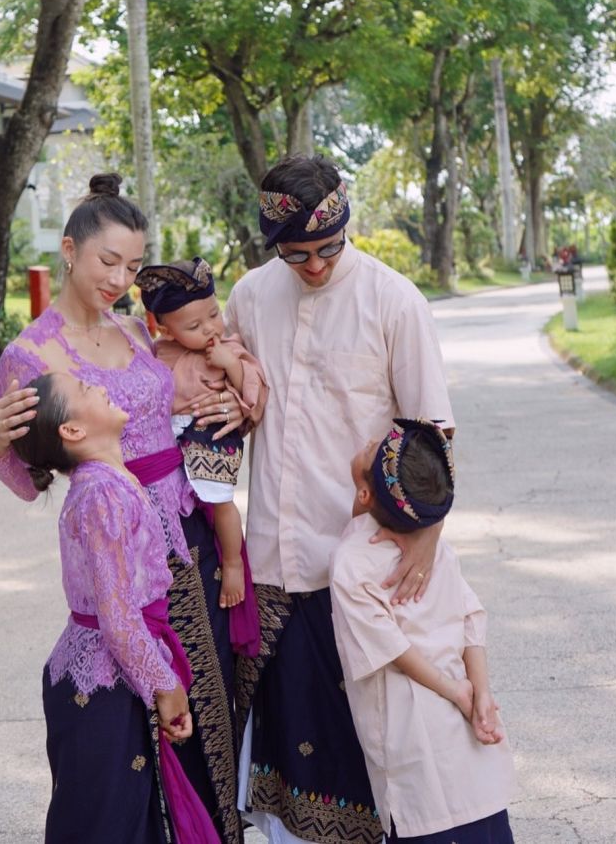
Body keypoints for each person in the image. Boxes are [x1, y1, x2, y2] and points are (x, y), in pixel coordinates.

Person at [0, 174, 245, 842]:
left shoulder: (134, 329)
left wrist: (231, 401)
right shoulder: (30, 355)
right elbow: (26, 479)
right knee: (147, 723)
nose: (120, 279)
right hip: (124, 551)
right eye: (109, 262)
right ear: (69, 250)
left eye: (132, 266)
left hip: (192, 533)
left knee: (213, 711)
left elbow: (192, 384)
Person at [225, 154, 455, 844]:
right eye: (297, 255)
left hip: (363, 571)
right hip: (275, 563)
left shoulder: (393, 301)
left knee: (379, 759)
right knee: (290, 750)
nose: (316, 266)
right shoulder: (249, 297)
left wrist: (427, 538)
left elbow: (433, 437)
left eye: (328, 248)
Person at [9, 370, 220, 844]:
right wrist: (165, 686)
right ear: (73, 431)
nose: (98, 385)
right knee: (107, 822)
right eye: (84, 391)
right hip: (105, 680)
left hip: (117, 671)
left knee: (128, 817)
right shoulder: (102, 494)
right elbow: (118, 616)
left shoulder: (109, 481)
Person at [331, 419, 516, 843]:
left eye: (373, 449)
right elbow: (471, 617)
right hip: (469, 747)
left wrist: (459, 692)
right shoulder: (433, 549)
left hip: (414, 747)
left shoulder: (352, 563)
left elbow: (392, 647)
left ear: (364, 493)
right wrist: (479, 691)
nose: (370, 439)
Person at [135, 256, 268, 614]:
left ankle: (234, 564)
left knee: (220, 502)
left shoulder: (230, 348)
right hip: (169, 447)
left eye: (214, 313)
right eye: (195, 324)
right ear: (165, 328)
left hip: (211, 438)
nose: (211, 328)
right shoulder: (157, 353)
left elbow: (255, 390)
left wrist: (231, 366)